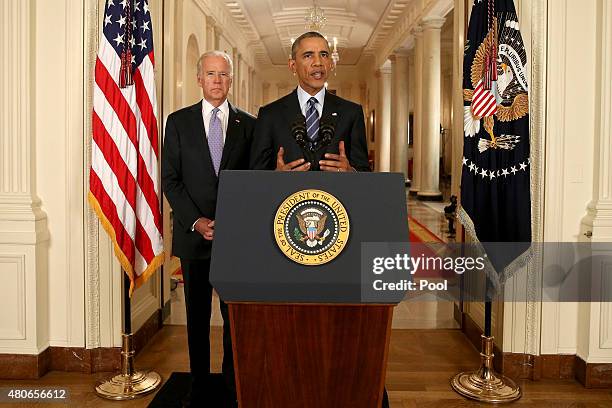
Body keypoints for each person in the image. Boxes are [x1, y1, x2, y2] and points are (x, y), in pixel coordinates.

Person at [161, 50, 255, 407]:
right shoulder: (178, 122)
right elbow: (171, 180)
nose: (217, 80)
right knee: (197, 319)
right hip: (193, 235)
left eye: (223, 74)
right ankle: (198, 387)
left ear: (230, 80)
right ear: (199, 79)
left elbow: (254, 181)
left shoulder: (250, 125)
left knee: (234, 321)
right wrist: (197, 221)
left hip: (235, 240)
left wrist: (234, 222)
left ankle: (234, 388)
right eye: (211, 74)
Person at [249, 31, 370, 172]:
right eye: (308, 55)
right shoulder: (269, 114)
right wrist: (276, 177)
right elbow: (255, 174)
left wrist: (351, 172)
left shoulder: (352, 113)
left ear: (331, 63)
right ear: (293, 65)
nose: (318, 62)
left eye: (324, 55)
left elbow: (364, 172)